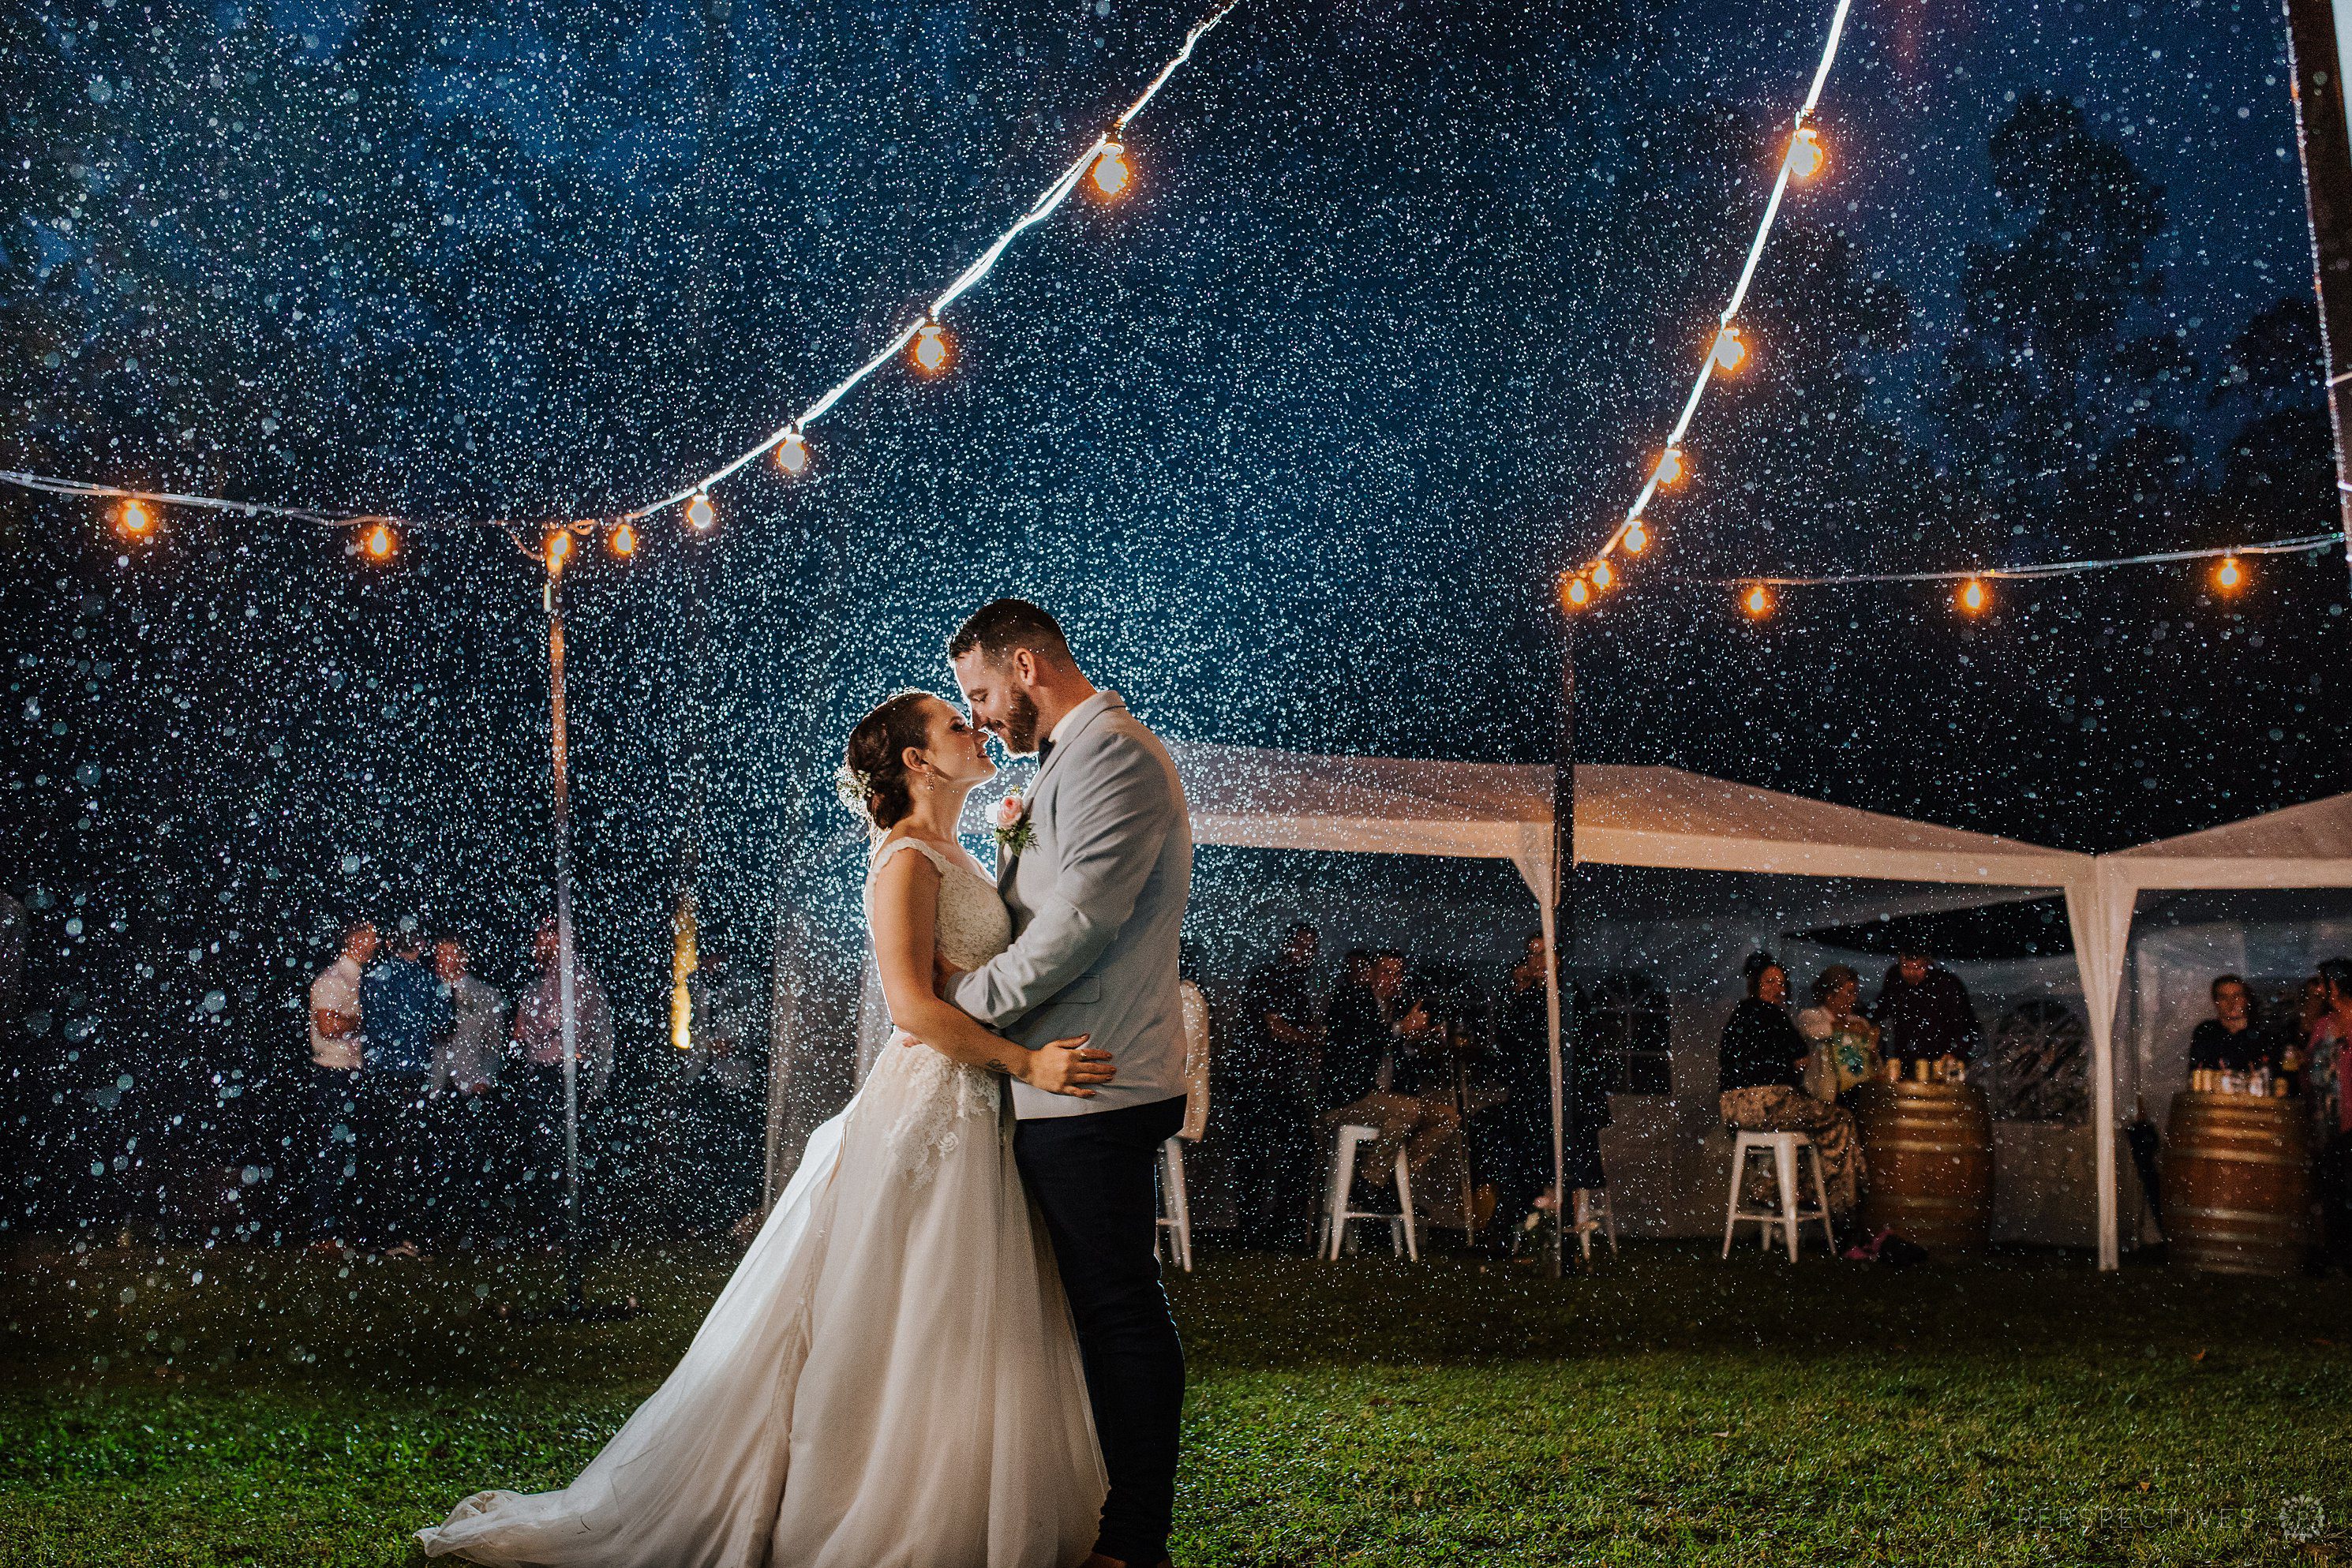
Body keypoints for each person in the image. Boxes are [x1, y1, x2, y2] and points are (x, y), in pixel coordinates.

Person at [423, 680, 1122, 1565]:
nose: (975, 726)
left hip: (978, 1103)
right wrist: (1029, 1062)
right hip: (939, 1101)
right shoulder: (906, 859)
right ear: (916, 761)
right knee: (923, 1306)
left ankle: (982, 1492)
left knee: (972, 1307)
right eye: (955, 723)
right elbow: (911, 1008)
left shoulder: (958, 850)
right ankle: (894, 1506)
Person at [1317, 949, 1471, 1232]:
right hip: (1348, 1098)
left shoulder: (1398, 1008)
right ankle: (1369, 1182)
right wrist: (1402, 1029)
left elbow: (1402, 1058)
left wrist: (1417, 1041)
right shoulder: (1351, 1000)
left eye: (1398, 973)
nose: (1393, 979)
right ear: (1371, 974)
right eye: (1386, 972)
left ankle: (1383, 1181)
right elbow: (1360, 1043)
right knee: (1408, 1110)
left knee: (1447, 1116)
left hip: (1387, 1102)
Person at [1717, 954, 1863, 1222]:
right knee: (1840, 1119)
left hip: (1733, 1109)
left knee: (1805, 1127)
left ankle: (1770, 1189)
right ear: (1756, 984)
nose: (1776, 988)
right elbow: (1801, 1059)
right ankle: (1841, 1202)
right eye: (1770, 981)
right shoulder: (1775, 1015)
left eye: (1780, 983)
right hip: (1767, 1103)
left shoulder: (1738, 1015)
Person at [509, 915, 616, 1243]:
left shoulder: (574, 977)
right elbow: (522, 1032)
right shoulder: (542, 980)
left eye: (544, 935)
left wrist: (527, 1024)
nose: (537, 943)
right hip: (544, 1074)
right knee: (548, 1152)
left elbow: (552, 1026)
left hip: (564, 1075)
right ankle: (557, 1227)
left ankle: (569, 1229)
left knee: (562, 1151)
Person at [1224, 923, 1321, 1249]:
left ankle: (1276, 1229)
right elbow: (1277, 1029)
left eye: (1311, 947)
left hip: (1271, 1083)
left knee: (1290, 1148)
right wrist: (1315, 1040)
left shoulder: (1295, 986)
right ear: (1287, 946)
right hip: (1253, 1079)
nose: (1306, 953)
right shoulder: (1270, 977)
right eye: (1301, 945)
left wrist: (1313, 1040)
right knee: (1256, 1155)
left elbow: (1300, 1029)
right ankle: (1261, 1231)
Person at [361, 922, 450, 1256]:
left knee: (379, 1153)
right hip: (412, 1076)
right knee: (411, 1153)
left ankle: (379, 1233)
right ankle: (410, 1232)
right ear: (422, 944)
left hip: (377, 1074)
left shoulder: (373, 976)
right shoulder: (430, 982)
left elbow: (368, 1019)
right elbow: (444, 1026)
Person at [429, 940, 506, 1246]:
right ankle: (439, 1228)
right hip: (435, 1088)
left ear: (464, 957)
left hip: (470, 1087)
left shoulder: (486, 995)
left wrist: (485, 1078)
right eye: (439, 955)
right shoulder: (427, 990)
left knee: (471, 1161)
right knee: (436, 1160)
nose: (443, 961)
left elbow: (494, 1045)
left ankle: (473, 1229)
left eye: (450, 954)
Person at [305, 919, 376, 1249]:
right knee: (331, 1153)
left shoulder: (361, 979)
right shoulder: (333, 979)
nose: (376, 944)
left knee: (348, 1153)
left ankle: (344, 1230)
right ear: (354, 940)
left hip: (352, 1073)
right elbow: (328, 1025)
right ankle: (323, 1231)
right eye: (370, 938)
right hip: (332, 1073)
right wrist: (367, 1018)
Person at [1486, 931, 1559, 1235]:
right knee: (1490, 1130)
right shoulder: (1528, 996)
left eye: (1542, 954)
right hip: (1528, 1093)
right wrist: (1517, 992)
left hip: (1555, 1098)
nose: (1535, 961)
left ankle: (1516, 1217)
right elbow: (1505, 1043)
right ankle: (1507, 1213)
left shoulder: (1563, 995)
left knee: (1520, 1135)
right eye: (1531, 954)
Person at [1870, 949, 1981, 1066]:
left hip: (1941, 1060)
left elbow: (1965, 1025)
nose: (1912, 973)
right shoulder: (1895, 978)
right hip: (1907, 1060)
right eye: (1906, 967)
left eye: (1918, 968)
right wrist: (1858, 1017)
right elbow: (1881, 1008)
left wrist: (1955, 1053)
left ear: (1928, 963)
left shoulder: (1947, 984)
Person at [1795, 964, 1881, 1103]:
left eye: (1855, 993)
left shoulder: (1860, 1022)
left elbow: (1875, 1067)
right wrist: (1847, 1027)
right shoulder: (1810, 1016)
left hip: (1858, 1097)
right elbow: (1814, 1032)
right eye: (1849, 993)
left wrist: (1872, 1050)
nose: (1853, 999)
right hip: (1822, 1095)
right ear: (1830, 995)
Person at [2187, 974, 2268, 1074]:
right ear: (2216, 1001)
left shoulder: (2263, 1033)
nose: (2231, 1003)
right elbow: (2196, 1074)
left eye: (2237, 996)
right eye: (2224, 997)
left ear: (2247, 1000)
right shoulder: (2205, 1032)